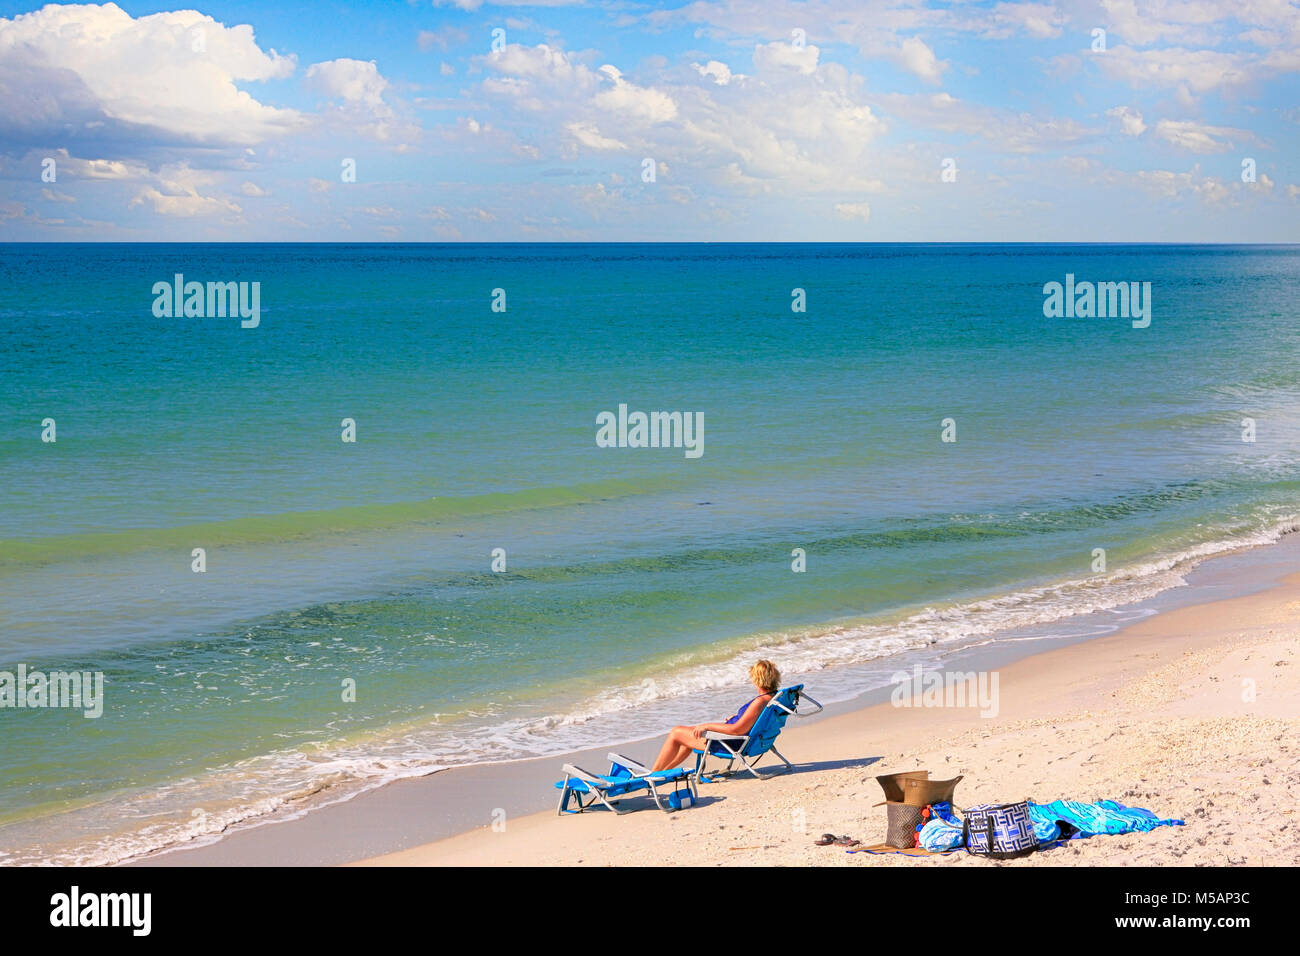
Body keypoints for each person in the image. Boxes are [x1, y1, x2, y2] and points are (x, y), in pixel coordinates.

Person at [650, 660, 781, 772]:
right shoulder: (772, 698)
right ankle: (665, 772)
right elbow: (754, 720)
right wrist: (739, 716)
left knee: (676, 732)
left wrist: (707, 726)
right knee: (688, 735)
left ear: (758, 679)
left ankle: (652, 775)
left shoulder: (760, 701)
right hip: (743, 740)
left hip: (730, 743)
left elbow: (736, 730)